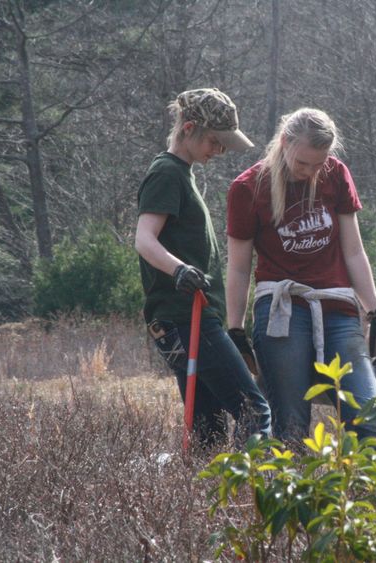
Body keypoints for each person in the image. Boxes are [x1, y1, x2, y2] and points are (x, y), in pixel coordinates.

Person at [225, 107, 376, 448]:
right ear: (284, 143)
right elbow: (239, 268)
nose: (311, 172)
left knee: (367, 418)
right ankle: (293, 499)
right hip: (282, 310)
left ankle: (372, 498)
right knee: (291, 427)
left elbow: (355, 252)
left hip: (338, 308)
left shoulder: (336, 174)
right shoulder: (247, 189)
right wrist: (236, 329)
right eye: (303, 163)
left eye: (319, 163)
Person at [135, 88, 271, 447]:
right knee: (254, 411)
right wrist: (179, 270)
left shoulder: (183, 172)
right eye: (215, 141)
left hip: (190, 317)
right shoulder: (166, 173)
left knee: (208, 428)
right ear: (188, 128)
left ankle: (202, 500)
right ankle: (258, 496)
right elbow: (144, 239)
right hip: (185, 316)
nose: (220, 151)